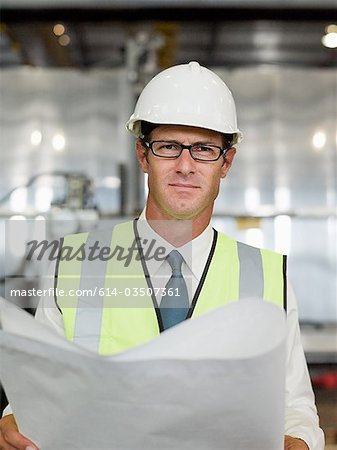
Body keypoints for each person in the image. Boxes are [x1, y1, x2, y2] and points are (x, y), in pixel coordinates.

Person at [0, 61, 324, 450]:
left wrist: (299, 443)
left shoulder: (269, 275)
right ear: (143, 155)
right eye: (169, 147)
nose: (185, 166)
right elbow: (38, 390)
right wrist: (12, 419)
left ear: (226, 162)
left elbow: (295, 407)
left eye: (203, 149)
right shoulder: (72, 262)